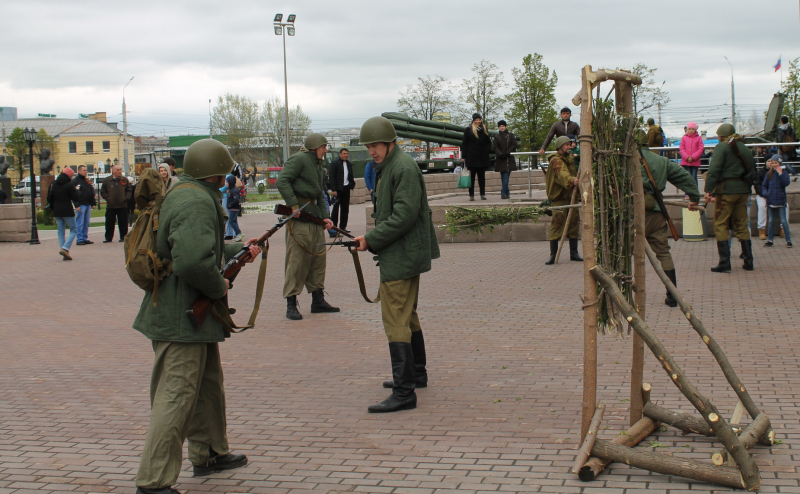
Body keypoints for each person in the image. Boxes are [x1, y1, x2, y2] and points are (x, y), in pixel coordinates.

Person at [133, 139, 256, 494]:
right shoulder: (197, 201)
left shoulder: (187, 193)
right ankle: (153, 481)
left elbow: (193, 247)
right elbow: (191, 263)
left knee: (205, 388)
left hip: (189, 315)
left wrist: (237, 250)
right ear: (215, 173)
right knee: (176, 396)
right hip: (182, 316)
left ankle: (209, 453)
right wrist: (219, 286)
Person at [353, 116, 440, 413]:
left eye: (375, 146)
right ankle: (416, 375)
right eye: (368, 147)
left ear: (390, 143)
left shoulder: (401, 167)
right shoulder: (394, 165)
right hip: (404, 252)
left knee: (395, 320)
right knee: (407, 315)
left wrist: (371, 239)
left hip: (401, 254)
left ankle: (404, 392)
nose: (371, 152)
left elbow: (403, 216)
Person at [275, 133, 339, 320]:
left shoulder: (318, 164)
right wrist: (293, 205)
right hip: (300, 219)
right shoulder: (299, 159)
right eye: (323, 147)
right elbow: (282, 180)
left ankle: (318, 300)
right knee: (297, 261)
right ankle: (291, 303)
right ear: (314, 147)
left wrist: (325, 217)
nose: (325, 151)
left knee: (318, 259)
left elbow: (319, 194)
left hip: (315, 219)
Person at [640, 135, 701, 307]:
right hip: (657, 213)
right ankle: (672, 296)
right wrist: (694, 197)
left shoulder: (625, 160)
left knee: (623, 252)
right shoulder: (661, 161)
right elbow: (684, 177)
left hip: (633, 215)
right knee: (663, 253)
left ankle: (622, 294)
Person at [704, 123, 756, 272]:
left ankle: (724, 262)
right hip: (743, 191)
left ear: (722, 136)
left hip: (726, 191)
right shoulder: (744, 148)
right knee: (742, 224)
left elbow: (714, 169)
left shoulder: (722, 147)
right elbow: (752, 170)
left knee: (720, 224)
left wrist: (708, 190)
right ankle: (748, 261)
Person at [544, 136, 582, 265]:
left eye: (570, 144)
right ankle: (553, 254)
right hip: (559, 197)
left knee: (574, 223)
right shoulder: (556, 160)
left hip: (571, 196)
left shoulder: (570, 158)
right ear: (560, 146)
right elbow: (561, 174)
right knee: (557, 224)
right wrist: (572, 181)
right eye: (567, 145)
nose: (569, 147)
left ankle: (574, 253)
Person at [48, 167, 80, 261]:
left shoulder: (53, 183)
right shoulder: (69, 185)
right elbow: (75, 197)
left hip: (56, 210)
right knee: (74, 229)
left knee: (60, 231)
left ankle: (64, 251)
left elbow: (49, 198)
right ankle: (65, 248)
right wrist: (76, 190)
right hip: (67, 210)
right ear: (69, 176)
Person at [762, 154, 792, 247]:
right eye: (773, 163)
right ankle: (770, 240)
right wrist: (766, 194)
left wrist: (780, 174)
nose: (774, 164)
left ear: (780, 163)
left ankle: (788, 240)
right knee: (771, 221)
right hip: (771, 200)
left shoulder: (784, 173)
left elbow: (786, 183)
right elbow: (764, 185)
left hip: (780, 200)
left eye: (776, 163)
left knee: (783, 220)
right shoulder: (769, 174)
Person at [460, 113, 492, 200]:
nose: (478, 121)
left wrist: (486, 151)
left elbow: (488, 142)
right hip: (472, 157)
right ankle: (471, 195)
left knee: (482, 177)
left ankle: (482, 194)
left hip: (482, 157)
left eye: (479, 119)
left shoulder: (484, 129)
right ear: (473, 120)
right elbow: (464, 143)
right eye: (476, 120)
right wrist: (464, 156)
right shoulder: (469, 129)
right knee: (472, 178)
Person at [100, 165, 132, 243]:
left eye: (120, 169)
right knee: (109, 222)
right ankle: (108, 238)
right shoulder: (107, 180)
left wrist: (126, 198)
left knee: (123, 222)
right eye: (118, 170)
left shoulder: (124, 180)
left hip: (122, 205)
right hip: (111, 205)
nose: (119, 171)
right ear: (113, 171)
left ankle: (123, 237)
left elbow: (129, 190)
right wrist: (108, 198)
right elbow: (103, 192)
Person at [329, 148, 356, 233]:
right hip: (338, 190)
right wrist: (334, 190)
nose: (346, 155)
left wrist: (351, 185)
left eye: (347, 153)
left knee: (345, 209)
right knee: (335, 209)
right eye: (344, 153)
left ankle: (342, 228)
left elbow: (350, 175)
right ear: (340, 154)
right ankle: (334, 228)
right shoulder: (334, 164)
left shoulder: (349, 164)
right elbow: (332, 177)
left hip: (346, 188)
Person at [493, 120, 517, 199]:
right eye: (500, 126)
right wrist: (501, 154)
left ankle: (505, 192)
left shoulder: (511, 135)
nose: (502, 127)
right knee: (504, 176)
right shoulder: (496, 137)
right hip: (501, 159)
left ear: (505, 126)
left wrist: (508, 152)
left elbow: (514, 144)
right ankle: (505, 192)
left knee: (506, 176)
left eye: (503, 126)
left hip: (509, 159)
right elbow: (496, 147)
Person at [72, 165, 96, 245]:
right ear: (79, 171)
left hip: (88, 204)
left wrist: (93, 203)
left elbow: (91, 192)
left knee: (86, 223)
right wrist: (77, 205)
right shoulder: (75, 181)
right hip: (81, 204)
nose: (86, 172)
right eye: (84, 170)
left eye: (86, 170)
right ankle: (79, 239)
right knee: (80, 223)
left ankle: (85, 238)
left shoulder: (86, 181)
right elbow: (74, 194)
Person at [225, 174, 243, 242]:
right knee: (234, 221)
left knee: (231, 221)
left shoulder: (234, 190)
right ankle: (237, 235)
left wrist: (230, 205)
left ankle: (239, 233)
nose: (226, 184)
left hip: (234, 208)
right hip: (232, 209)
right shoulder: (230, 190)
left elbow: (236, 199)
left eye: (227, 182)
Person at [756, 158, 770, 240]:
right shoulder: (760, 172)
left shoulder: (778, 172)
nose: (770, 163)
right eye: (769, 161)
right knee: (762, 206)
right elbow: (757, 185)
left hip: (774, 195)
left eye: (772, 161)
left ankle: (783, 228)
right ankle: (761, 229)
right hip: (762, 195)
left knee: (785, 206)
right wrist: (763, 194)